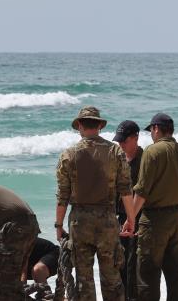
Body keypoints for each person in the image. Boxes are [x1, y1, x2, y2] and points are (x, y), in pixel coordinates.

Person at [55, 106, 135, 301]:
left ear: (80, 125)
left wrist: (58, 225)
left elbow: (62, 196)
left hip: (79, 222)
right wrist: (131, 219)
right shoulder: (115, 151)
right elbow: (125, 189)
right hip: (107, 220)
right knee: (112, 278)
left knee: (84, 280)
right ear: (99, 125)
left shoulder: (68, 154)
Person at [129, 113, 178, 301]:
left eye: (151, 130)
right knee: (175, 274)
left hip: (154, 220)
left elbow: (141, 191)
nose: (151, 134)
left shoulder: (152, 152)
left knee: (148, 274)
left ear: (156, 128)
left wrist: (130, 219)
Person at [113, 120, 143, 301]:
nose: (121, 144)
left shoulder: (145, 160)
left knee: (134, 265)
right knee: (120, 263)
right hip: (120, 217)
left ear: (136, 138)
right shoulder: (119, 159)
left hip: (139, 217)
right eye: (119, 141)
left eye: (125, 140)